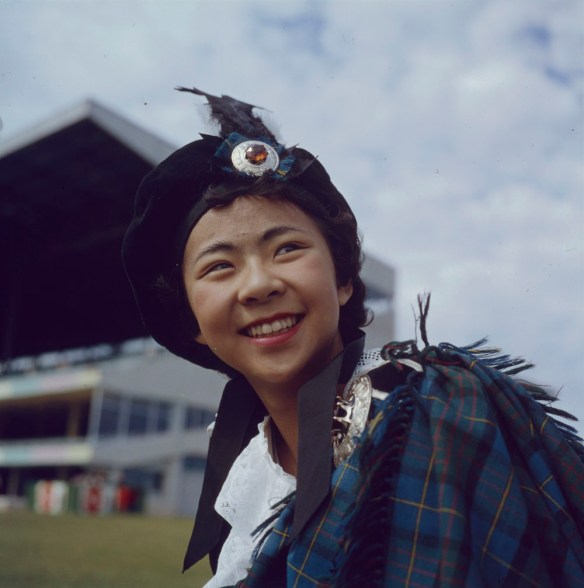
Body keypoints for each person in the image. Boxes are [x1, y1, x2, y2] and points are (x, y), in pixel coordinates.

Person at [122, 88, 584, 587]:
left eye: (287, 248)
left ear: (342, 280)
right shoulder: (252, 460)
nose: (258, 285)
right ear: (192, 321)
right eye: (219, 266)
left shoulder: (433, 409)